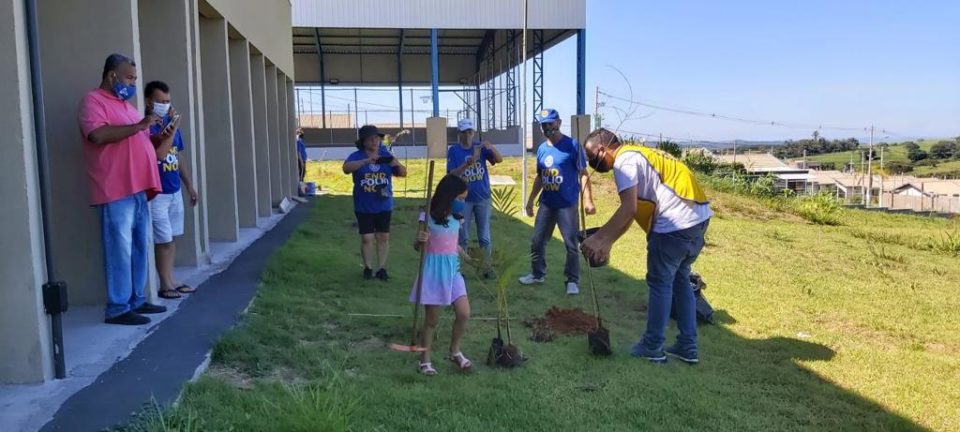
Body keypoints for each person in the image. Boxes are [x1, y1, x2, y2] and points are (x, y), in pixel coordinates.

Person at [579, 128, 713, 364]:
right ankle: (687, 345)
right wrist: (606, 241)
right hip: (698, 220)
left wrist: (597, 239)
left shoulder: (624, 162)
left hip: (674, 226)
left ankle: (652, 346)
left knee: (660, 283)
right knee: (681, 279)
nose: (591, 163)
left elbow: (627, 208)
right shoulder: (640, 153)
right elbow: (632, 214)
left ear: (602, 148)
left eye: (591, 156)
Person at [79, 54, 172, 325]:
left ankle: (136, 300)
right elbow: (97, 135)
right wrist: (140, 126)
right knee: (120, 247)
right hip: (114, 189)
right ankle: (118, 307)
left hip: (139, 188)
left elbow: (138, 139)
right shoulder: (93, 101)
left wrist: (158, 135)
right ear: (112, 76)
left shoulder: (127, 107)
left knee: (139, 247)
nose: (133, 83)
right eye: (130, 78)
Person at [518, 109, 595, 295]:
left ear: (559, 122)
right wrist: (530, 201)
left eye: (550, 123)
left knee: (570, 243)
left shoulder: (573, 145)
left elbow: (583, 174)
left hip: (567, 204)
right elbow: (540, 177)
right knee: (537, 240)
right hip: (547, 203)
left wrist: (588, 200)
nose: (547, 127)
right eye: (543, 124)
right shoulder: (542, 149)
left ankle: (572, 280)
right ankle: (537, 273)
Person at [411, 175, 474, 375]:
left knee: (464, 313)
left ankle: (454, 351)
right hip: (433, 272)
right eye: (460, 199)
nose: (462, 203)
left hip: (453, 271)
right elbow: (417, 246)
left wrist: (467, 257)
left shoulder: (457, 218)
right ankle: (425, 360)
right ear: (449, 196)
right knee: (432, 320)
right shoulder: (427, 216)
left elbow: (453, 243)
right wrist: (420, 240)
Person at [144, 81, 199, 299]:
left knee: (172, 238)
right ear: (149, 102)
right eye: (161, 102)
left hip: (174, 190)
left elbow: (177, 155)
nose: (166, 106)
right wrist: (173, 126)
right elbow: (159, 153)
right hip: (157, 193)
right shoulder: (148, 126)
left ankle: (172, 279)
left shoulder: (171, 124)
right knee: (163, 240)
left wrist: (189, 185)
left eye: (168, 101)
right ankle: (165, 284)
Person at [342, 125, 407, 281]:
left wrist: (392, 161)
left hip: (384, 204)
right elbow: (345, 168)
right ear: (363, 141)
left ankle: (382, 268)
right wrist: (365, 161)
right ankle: (368, 267)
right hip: (363, 204)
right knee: (367, 238)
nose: (374, 140)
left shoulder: (386, 155)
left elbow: (403, 173)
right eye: (371, 138)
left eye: (377, 138)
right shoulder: (356, 156)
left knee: (383, 236)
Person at [446, 118, 503, 278]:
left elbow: (499, 160)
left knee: (484, 236)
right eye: (464, 132)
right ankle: (460, 270)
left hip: (482, 197)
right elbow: (451, 174)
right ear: (459, 134)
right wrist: (466, 165)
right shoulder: (454, 151)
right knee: (463, 235)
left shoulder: (480, 147)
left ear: (474, 132)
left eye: (470, 131)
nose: (467, 135)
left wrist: (490, 146)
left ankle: (487, 268)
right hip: (463, 199)